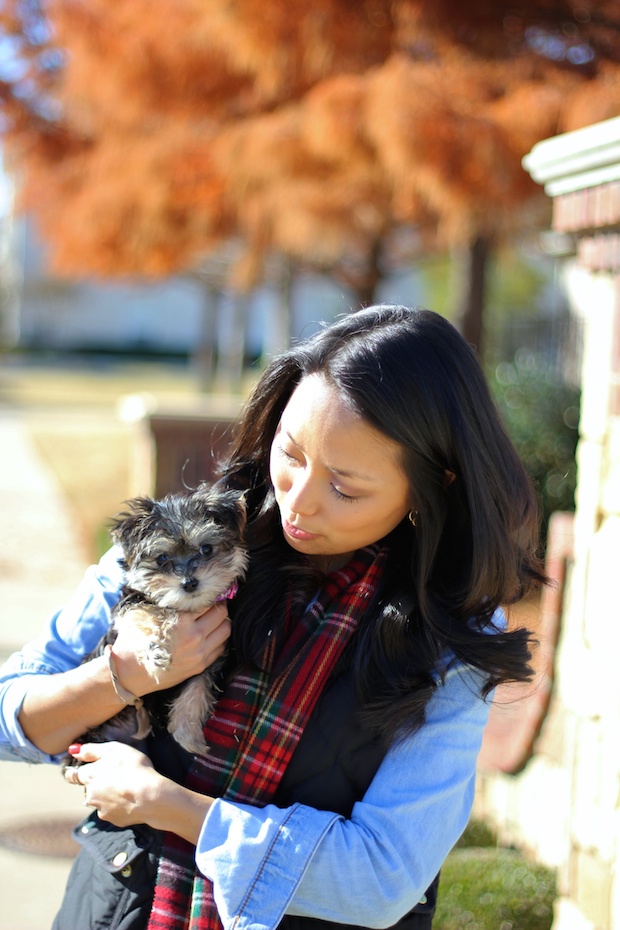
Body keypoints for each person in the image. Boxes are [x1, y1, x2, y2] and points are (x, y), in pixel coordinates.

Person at [0, 305, 543, 930]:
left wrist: (170, 806)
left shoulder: (455, 641)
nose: (298, 500)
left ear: (433, 486)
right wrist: (120, 676)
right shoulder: (182, 541)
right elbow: (14, 715)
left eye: (345, 487)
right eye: (290, 452)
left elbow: (383, 877)